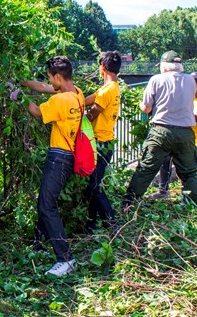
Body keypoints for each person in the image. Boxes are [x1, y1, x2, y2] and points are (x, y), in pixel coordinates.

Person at [15, 56, 81, 277]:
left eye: (52, 78)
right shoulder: (76, 94)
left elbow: (36, 112)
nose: (50, 82)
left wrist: (18, 96)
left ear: (59, 77)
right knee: (46, 201)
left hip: (58, 157)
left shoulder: (59, 101)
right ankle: (39, 242)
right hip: (69, 155)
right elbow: (44, 88)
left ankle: (65, 258)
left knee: (46, 205)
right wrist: (23, 82)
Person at [122, 51, 197, 209]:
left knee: (146, 168)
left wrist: (142, 104)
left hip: (161, 131)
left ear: (164, 67)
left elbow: (146, 108)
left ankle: (129, 202)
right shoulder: (191, 81)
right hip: (185, 131)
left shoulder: (156, 79)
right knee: (189, 171)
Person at [152, 72, 197, 198]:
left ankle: (189, 196)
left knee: (185, 166)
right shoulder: (188, 98)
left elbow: (193, 119)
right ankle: (163, 191)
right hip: (184, 139)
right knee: (165, 158)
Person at [83, 51, 122, 232]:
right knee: (93, 183)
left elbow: (91, 114)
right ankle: (90, 224)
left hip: (100, 144)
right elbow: (85, 100)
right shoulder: (111, 88)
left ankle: (111, 223)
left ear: (103, 68)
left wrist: (77, 117)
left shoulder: (107, 91)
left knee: (94, 184)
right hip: (106, 143)